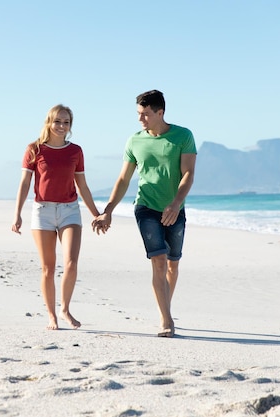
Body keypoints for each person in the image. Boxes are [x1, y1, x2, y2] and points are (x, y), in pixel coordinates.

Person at [93, 90, 197, 338]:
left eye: (145, 114)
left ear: (160, 112)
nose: (141, 119)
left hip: (175, 208)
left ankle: (165, 309)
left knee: (173, 264)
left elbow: (188, 174)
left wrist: (175, 203)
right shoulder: (135, 141)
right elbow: (123, 179)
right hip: (146, 207)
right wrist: (107, 211)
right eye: (139, 114)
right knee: (158, 261)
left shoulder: (183, 136)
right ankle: (166, 318)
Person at [12, 104, 101, 330]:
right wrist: (17, 214)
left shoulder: (75, 151)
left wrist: (96, 214)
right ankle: (51, 315)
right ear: (49, 122)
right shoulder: (34, 149)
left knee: (71, 263)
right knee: (48, 268)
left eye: (66, 122)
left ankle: (65, 310)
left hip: (70, 209)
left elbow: (82, 185)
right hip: (42, 212)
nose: (62, 126)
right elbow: (24, 184)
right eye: (58, 121)